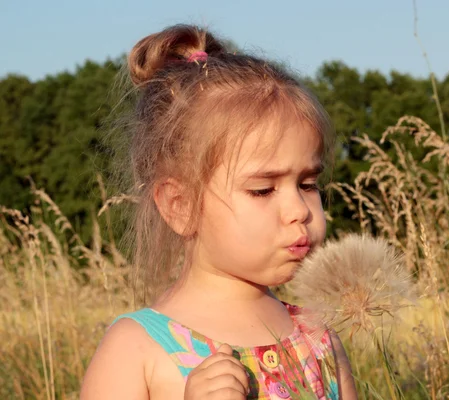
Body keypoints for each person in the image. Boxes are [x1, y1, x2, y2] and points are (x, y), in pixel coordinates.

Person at [80, 24, 357, 400]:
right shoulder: (136, 349)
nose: (299, 210)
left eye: (308, 184)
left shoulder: (319, 338)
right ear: (180, 207)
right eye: (262, 189)